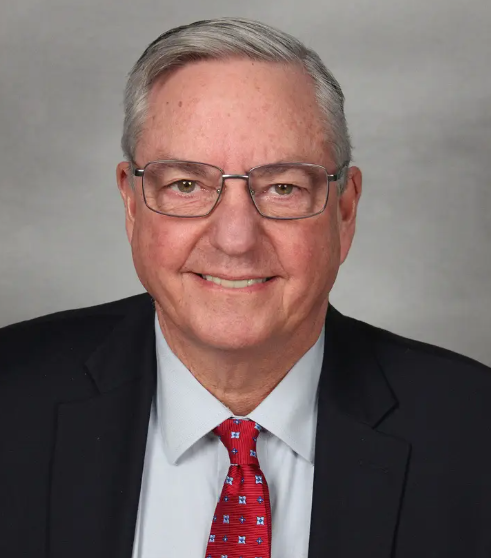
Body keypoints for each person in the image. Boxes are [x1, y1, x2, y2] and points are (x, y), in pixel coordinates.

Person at [1, 16, 490, 558]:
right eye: (186, 184)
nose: (235, 239)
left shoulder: (475, 435)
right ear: (132, 204)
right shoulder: (10, 398)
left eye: (283, 187)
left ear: (345, 210)